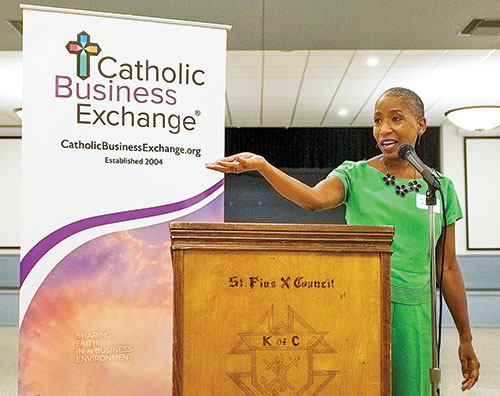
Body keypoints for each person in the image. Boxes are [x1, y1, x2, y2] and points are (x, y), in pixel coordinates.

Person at [206, 87, 480, 395]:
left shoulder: (440, 187)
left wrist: (465, 338)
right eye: (377, 120)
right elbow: (313, 199)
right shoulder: (354, 175)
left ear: (420, 125)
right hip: (358, 304)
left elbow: (448, 268)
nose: (384, 128)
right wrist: (263, 167)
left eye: (396, 118)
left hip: (414, 314)